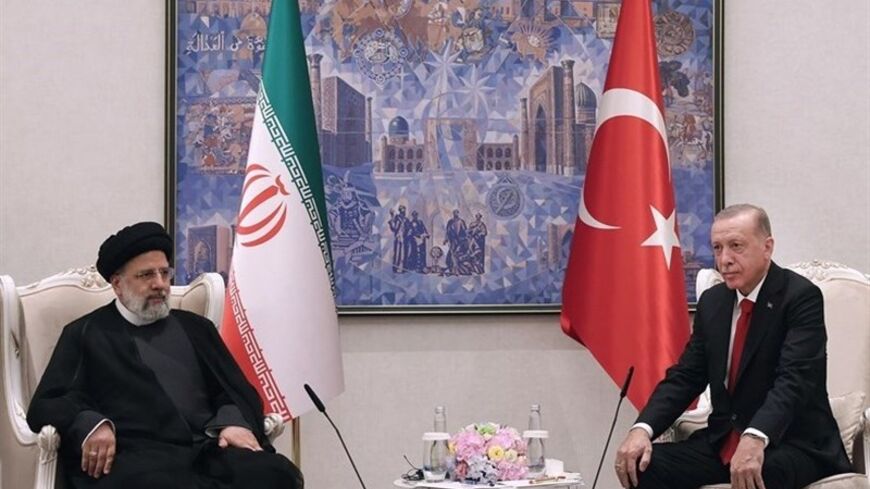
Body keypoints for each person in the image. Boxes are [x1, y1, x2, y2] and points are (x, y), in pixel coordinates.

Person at [26, 222, 303, 489]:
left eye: (164, 273)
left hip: (209, 450)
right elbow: (48, 403)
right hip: (138, 456)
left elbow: (234, 390)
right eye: (146, 275)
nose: (160, 284)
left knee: (275, 474)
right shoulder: (86, 333)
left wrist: (231, 421)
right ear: (117, 284)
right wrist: (91, 423)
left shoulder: (197, 328)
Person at [614, 204, 850, 489]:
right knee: (641, 466)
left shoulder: (799, 297)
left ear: (767, 247)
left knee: (762, 474)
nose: (724, 259)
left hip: (792, 442)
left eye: (736, 246)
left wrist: (756, 436)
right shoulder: (714, 302)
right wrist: (642, 429)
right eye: (717, 248)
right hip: (723, 442)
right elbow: (687, 376)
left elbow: (794, 380)